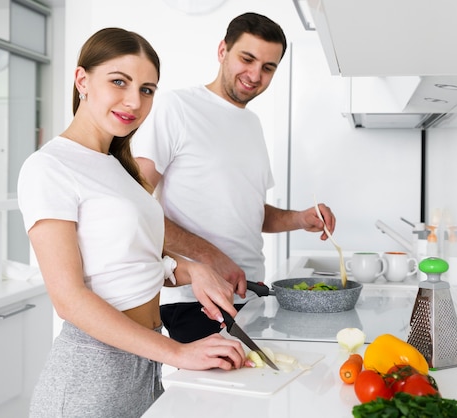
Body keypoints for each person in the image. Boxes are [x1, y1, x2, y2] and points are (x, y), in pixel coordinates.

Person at [17, 28, 251, 418]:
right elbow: (69, 298)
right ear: (82, 80)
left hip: (144, 362)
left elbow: (128, 259)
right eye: (119, 82)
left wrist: (192, 270)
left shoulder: (120, 169)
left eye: (147, 89)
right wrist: (179, 352)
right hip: (90, 376)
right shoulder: (49, 167)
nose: (134, 101)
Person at [132, 12, 337, 343]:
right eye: (247, 58)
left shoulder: (252, 124)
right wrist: (209, 257)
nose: (255, 74)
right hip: (197, 301)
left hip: (250, 296)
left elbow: (250, 211)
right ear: (222, 51)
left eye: (268, 67)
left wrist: (300, 218)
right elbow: (136, 204)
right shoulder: (176, 107)